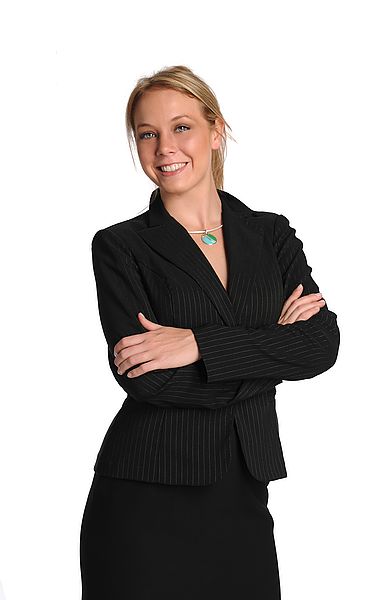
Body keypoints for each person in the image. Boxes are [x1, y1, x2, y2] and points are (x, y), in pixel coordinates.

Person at [79, 64, 340, 599]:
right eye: (147, 134)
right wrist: (271, 352)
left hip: (244, 493)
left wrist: (196, 343)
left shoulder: (270, 234)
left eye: (181, 127)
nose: (163, 147)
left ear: (215, 130)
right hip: (144, 496)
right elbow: (149, 381)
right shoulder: (120, 246)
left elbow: (320, 345)